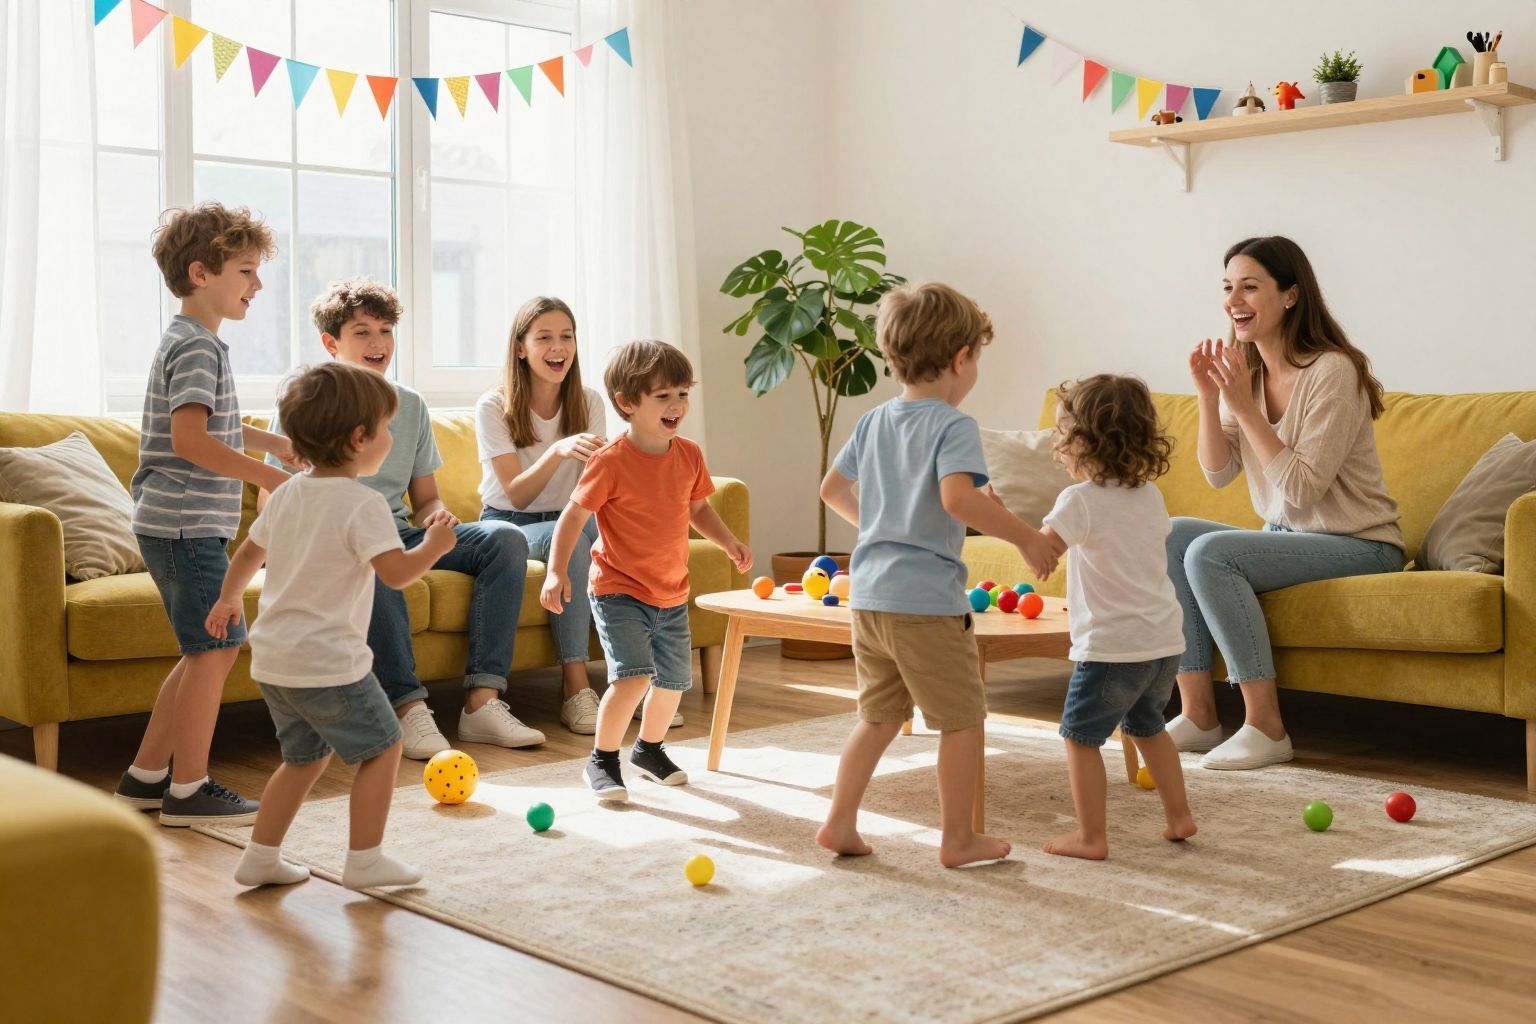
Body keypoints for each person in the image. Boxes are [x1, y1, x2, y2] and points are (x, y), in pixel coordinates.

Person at [814, 282, 1058, 868]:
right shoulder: (954, 425)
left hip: (870, 597)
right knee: (962, 720)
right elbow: (957, 500)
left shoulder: (874, 420)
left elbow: (832, 490)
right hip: (924, 603)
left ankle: (839, 822)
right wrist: (1026, 536)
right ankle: (957, 839)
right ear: (960, 358)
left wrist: (884, 525)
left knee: (877, 718)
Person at [262, 278, 544, 761]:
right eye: (362, 332)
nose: (378, 343)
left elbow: (425, 497)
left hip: (400, 531)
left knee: (505, 538)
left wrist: (438, 519)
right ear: (331, 343)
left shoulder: (408, 404)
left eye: (386, 331)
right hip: (343, 542)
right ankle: (407, 706)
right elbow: (276, 500)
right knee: (370, 560)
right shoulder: (307, 403)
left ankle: (482, 702)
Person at [209, 362, 452, 889]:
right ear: (359, 437)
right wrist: (434, 546)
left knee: (302, 759)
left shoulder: (288, 492)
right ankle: (365, 860)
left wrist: (229, 599)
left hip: (274, 661)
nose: (391, 438)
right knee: (384, 747)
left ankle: (260, 856)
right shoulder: (363, 504)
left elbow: (249, 552)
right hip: (328, 663)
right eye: (386, 428)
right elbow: (396, 574)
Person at [1165, 236, 1405, 770]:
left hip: (1361, 544)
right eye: (1228, 287)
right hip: (1288, 537)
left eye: (1250, 287)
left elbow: (1300, 489)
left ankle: (1266, 728)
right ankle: (1199, 715)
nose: (1234, 301)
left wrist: (1245, 409)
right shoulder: (1246, 375)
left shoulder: (1332, 372)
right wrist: (1209, 396)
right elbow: (1219, 472)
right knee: (1171, 535)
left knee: (1210, 553)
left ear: (1290, 295)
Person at [114, 202, 299, 826]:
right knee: (216, 648)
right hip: (185, 523)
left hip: (178, 523)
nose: (258, 284)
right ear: (201, 273)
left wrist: (273, 443)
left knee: (204, 650)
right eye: (246, 271)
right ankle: (189, 788)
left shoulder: (193, 341)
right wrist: (270, 476)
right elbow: (190, 442)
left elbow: (210, 427)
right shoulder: (197, 348)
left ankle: (145, 777)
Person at [540, 340, 752, 802]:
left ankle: (649, 751)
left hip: (671, 590)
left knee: (673, 681)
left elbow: (699, 509)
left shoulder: (689, 454)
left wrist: (728, 541)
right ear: (627, 403)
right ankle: (602, 760)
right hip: (619, 589)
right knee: (633, 677)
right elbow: (573, 518)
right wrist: (556, 572)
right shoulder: (610, 461)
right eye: (663, 396)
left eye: (682, 394)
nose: (676, 405)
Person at [1038, 374, 1197, 860]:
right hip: (1163, 643)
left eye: (1062, 434)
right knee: (1149, 727)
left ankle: (1091, 836)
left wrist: (1004, 522)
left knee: (1079, 738)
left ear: (1082, 441)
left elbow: (1042, 554)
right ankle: (1179, 816)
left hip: (1112, 648)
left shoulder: (1079, 500)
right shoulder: (1149, 495)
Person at [475, 297, 614, 735]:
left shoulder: (588, 401)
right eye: (545, 338)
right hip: (508, 523)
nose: (559, 348)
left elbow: (595, 487)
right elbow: (517, 495)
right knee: (569, 538)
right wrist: (556, 451)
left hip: (570, 517)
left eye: (566, 337)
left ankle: (633, 678)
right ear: (521, 347)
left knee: (610, 539)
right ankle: (576, 688)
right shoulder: (494, 407)